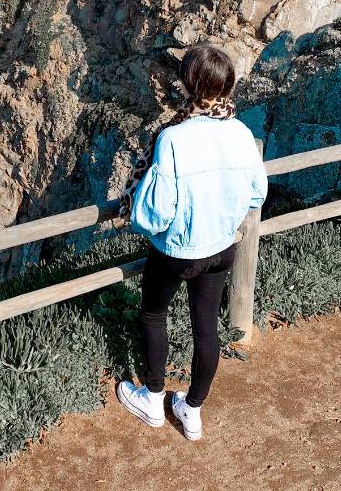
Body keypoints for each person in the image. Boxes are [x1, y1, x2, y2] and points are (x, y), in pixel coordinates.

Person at [116, 44, 268, 441]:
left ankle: (151, 399)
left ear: (187, 85)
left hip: (178, 251)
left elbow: (155, 213)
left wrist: (152, 228)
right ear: (227, 87)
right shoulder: (241, 132)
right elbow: (257, 194)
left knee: (153, 314)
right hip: (221, 248)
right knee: (206, 329)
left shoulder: (173, 138)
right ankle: (192, 410)